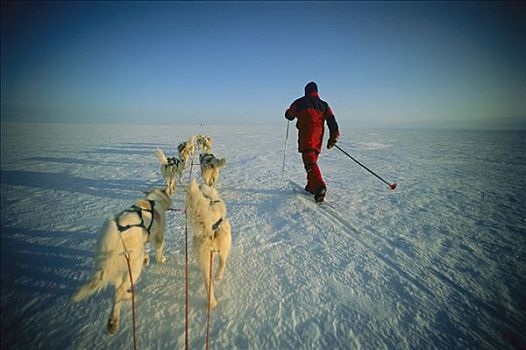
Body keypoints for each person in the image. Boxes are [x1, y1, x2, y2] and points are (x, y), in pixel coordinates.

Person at [285, 82, 340, 203]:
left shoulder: (299, 103)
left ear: (306, 91)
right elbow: (332, 120)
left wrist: (287, 114)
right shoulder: (324, 105)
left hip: (306, 138)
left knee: (310, 162)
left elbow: (290, 115)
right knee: (312, 161)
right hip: (318, 139)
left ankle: (319, 186)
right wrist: (333, 136)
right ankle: (311, 186)